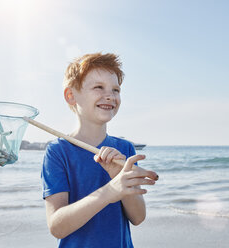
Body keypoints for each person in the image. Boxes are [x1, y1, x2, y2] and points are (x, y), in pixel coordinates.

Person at [41, 52, 159, 247]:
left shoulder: (125, 148)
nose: (110, 96)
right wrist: (110, 191)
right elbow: (57, 226)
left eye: (116, 89)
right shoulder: (58, 152)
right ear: (71, 96)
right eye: (98, 87)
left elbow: (138, 217)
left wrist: (119, 178)